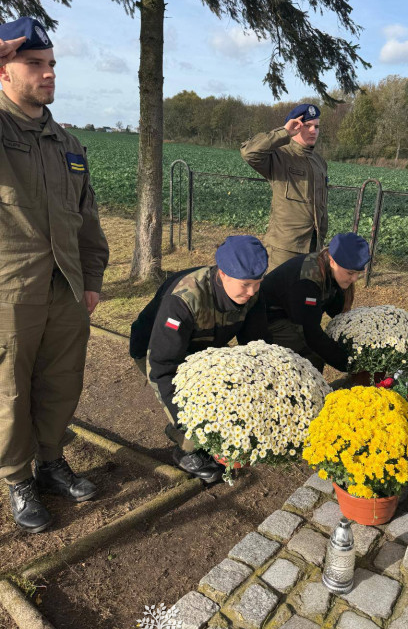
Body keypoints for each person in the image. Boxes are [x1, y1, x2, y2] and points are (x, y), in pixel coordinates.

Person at [0, 17, 109, 533]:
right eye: (34, 64)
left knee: (61, 381)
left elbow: (86, 219)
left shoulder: (67, 143)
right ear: (3, 71)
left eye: (52, 66)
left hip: (65, 286)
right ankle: (18, 477)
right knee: (9, 389)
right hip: (9, 290)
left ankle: (49, 461)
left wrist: (91, 279)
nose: (48, 75)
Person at [130, 235, 269, 482]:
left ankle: (183, 432)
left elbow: (254, 348)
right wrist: (192, 424)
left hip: (202, 350)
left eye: (257, 283)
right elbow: (162, 366)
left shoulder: (253, 293)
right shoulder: (184, 299)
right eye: (245, 284)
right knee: (199, 403)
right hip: (157, 351)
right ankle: (184, 450)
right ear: (223, 274)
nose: (251, 292)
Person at [261, 232, 370, 373]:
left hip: (290, 315)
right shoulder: (308, 281)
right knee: (313, 357)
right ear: (332, 261)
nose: (355, 279)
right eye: (350, 273)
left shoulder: (327, 268)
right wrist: (349, 364)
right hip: (268, 321)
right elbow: (309, 333)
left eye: (358, 273)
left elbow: (336, 311)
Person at [240, 103, 328, 271]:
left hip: (313, 247)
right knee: (277, 295)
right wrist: (284, 132)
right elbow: (249, 152)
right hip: (284, 248)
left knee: (306, 295)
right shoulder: (280, 156)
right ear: (294, 126)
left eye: (316, 127)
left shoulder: (320, 162)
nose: (313, 131)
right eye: (307, 126)